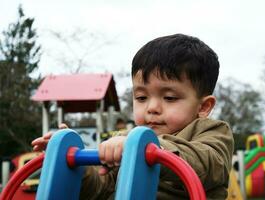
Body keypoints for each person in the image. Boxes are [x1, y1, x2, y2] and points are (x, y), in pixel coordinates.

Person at [32, 34, 234, 199]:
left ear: (204, 106)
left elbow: (209, 164)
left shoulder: (211, 132)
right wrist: (76, 164)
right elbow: (101, 191)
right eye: (141, 97)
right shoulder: (124, 139)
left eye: (170, 98)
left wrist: (146, 148)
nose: (152, 108)